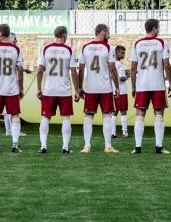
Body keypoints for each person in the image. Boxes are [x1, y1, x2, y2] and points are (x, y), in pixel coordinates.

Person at [130, 18, 171, 154]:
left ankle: (137, 147)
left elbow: (132, 67)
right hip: (157, 84)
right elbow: (166, 65)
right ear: (154, 28)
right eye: (158, 27)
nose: (159, 30)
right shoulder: (162, 42)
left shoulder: (137, 43)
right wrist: (170, 83)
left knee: (139, 114)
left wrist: (133, 87)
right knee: (159, 114)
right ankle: (159, 147)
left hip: (142, 84)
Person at [76, 23, 120, 153]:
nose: (109, 35)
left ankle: (87, 146)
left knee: (88, 116)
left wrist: (79, 87)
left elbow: (81, 69)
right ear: (102, 32)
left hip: (91, 88)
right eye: (107, 33)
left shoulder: (85, 47)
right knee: (107, 115)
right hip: (105, 88)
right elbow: (112, 69)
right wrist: (117, 87)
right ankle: (107, 146)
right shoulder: (108, 48)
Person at [36, 25, 78, 153]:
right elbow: (73, 72)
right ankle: (65, 146)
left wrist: (39, 88)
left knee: (45, 117)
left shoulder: (46, 49)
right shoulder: (69, 50)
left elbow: (40, 70)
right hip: (64, 90)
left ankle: (43, 145)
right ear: (64, 35)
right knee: (65, 118)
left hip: (49, 90)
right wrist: (77, 90)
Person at [0, 24, 25, 152]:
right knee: (15, 116)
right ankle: (15, 144)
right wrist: (21, 87)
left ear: (0, 34)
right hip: (12, 88)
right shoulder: (17, 49)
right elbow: (20, 70)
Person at [111, 46, 129, 139]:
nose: (123, 54)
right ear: (116, 53)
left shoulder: (113, 63)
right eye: (122, 53)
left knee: (114, 112)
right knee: (123, 111)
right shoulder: (119, 64)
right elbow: (121, 79)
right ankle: (125, 132)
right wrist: (128, 76)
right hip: (121, 91)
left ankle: (113, 132)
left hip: (114, 90)